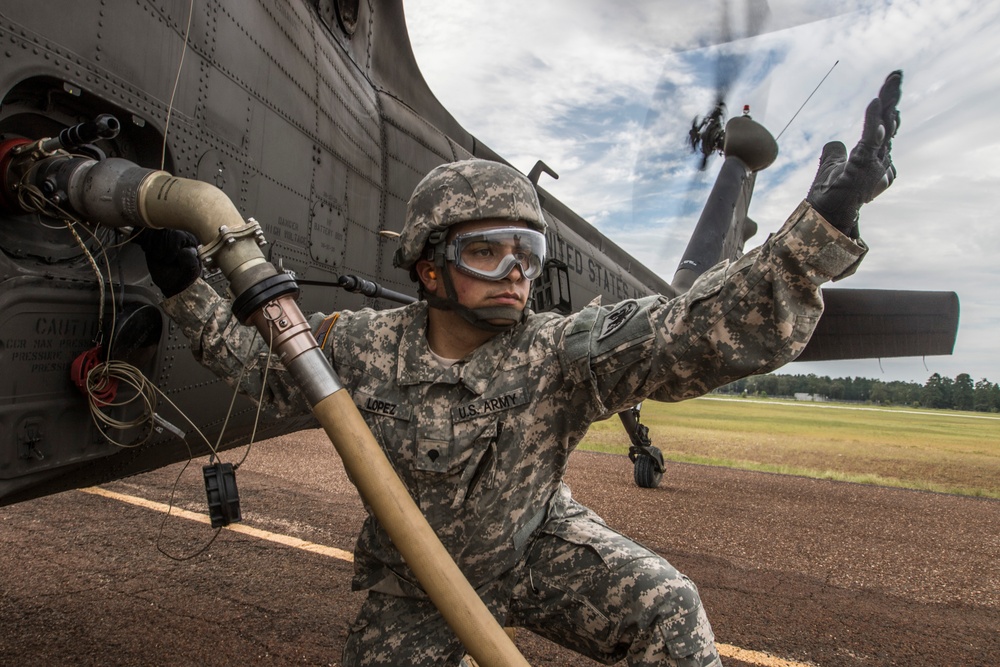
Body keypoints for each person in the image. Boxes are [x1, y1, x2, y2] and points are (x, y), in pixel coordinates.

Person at [143, 72, 902, 666]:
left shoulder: (558, 351)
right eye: (486, 251)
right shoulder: (359, 346)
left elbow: (687, 331)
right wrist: (182, 284)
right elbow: (257, 363)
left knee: (670, 607)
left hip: (535, 550)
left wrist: (817, 236)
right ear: (429, 268)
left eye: (528, 254)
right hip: (418, 583)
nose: (515, 273)